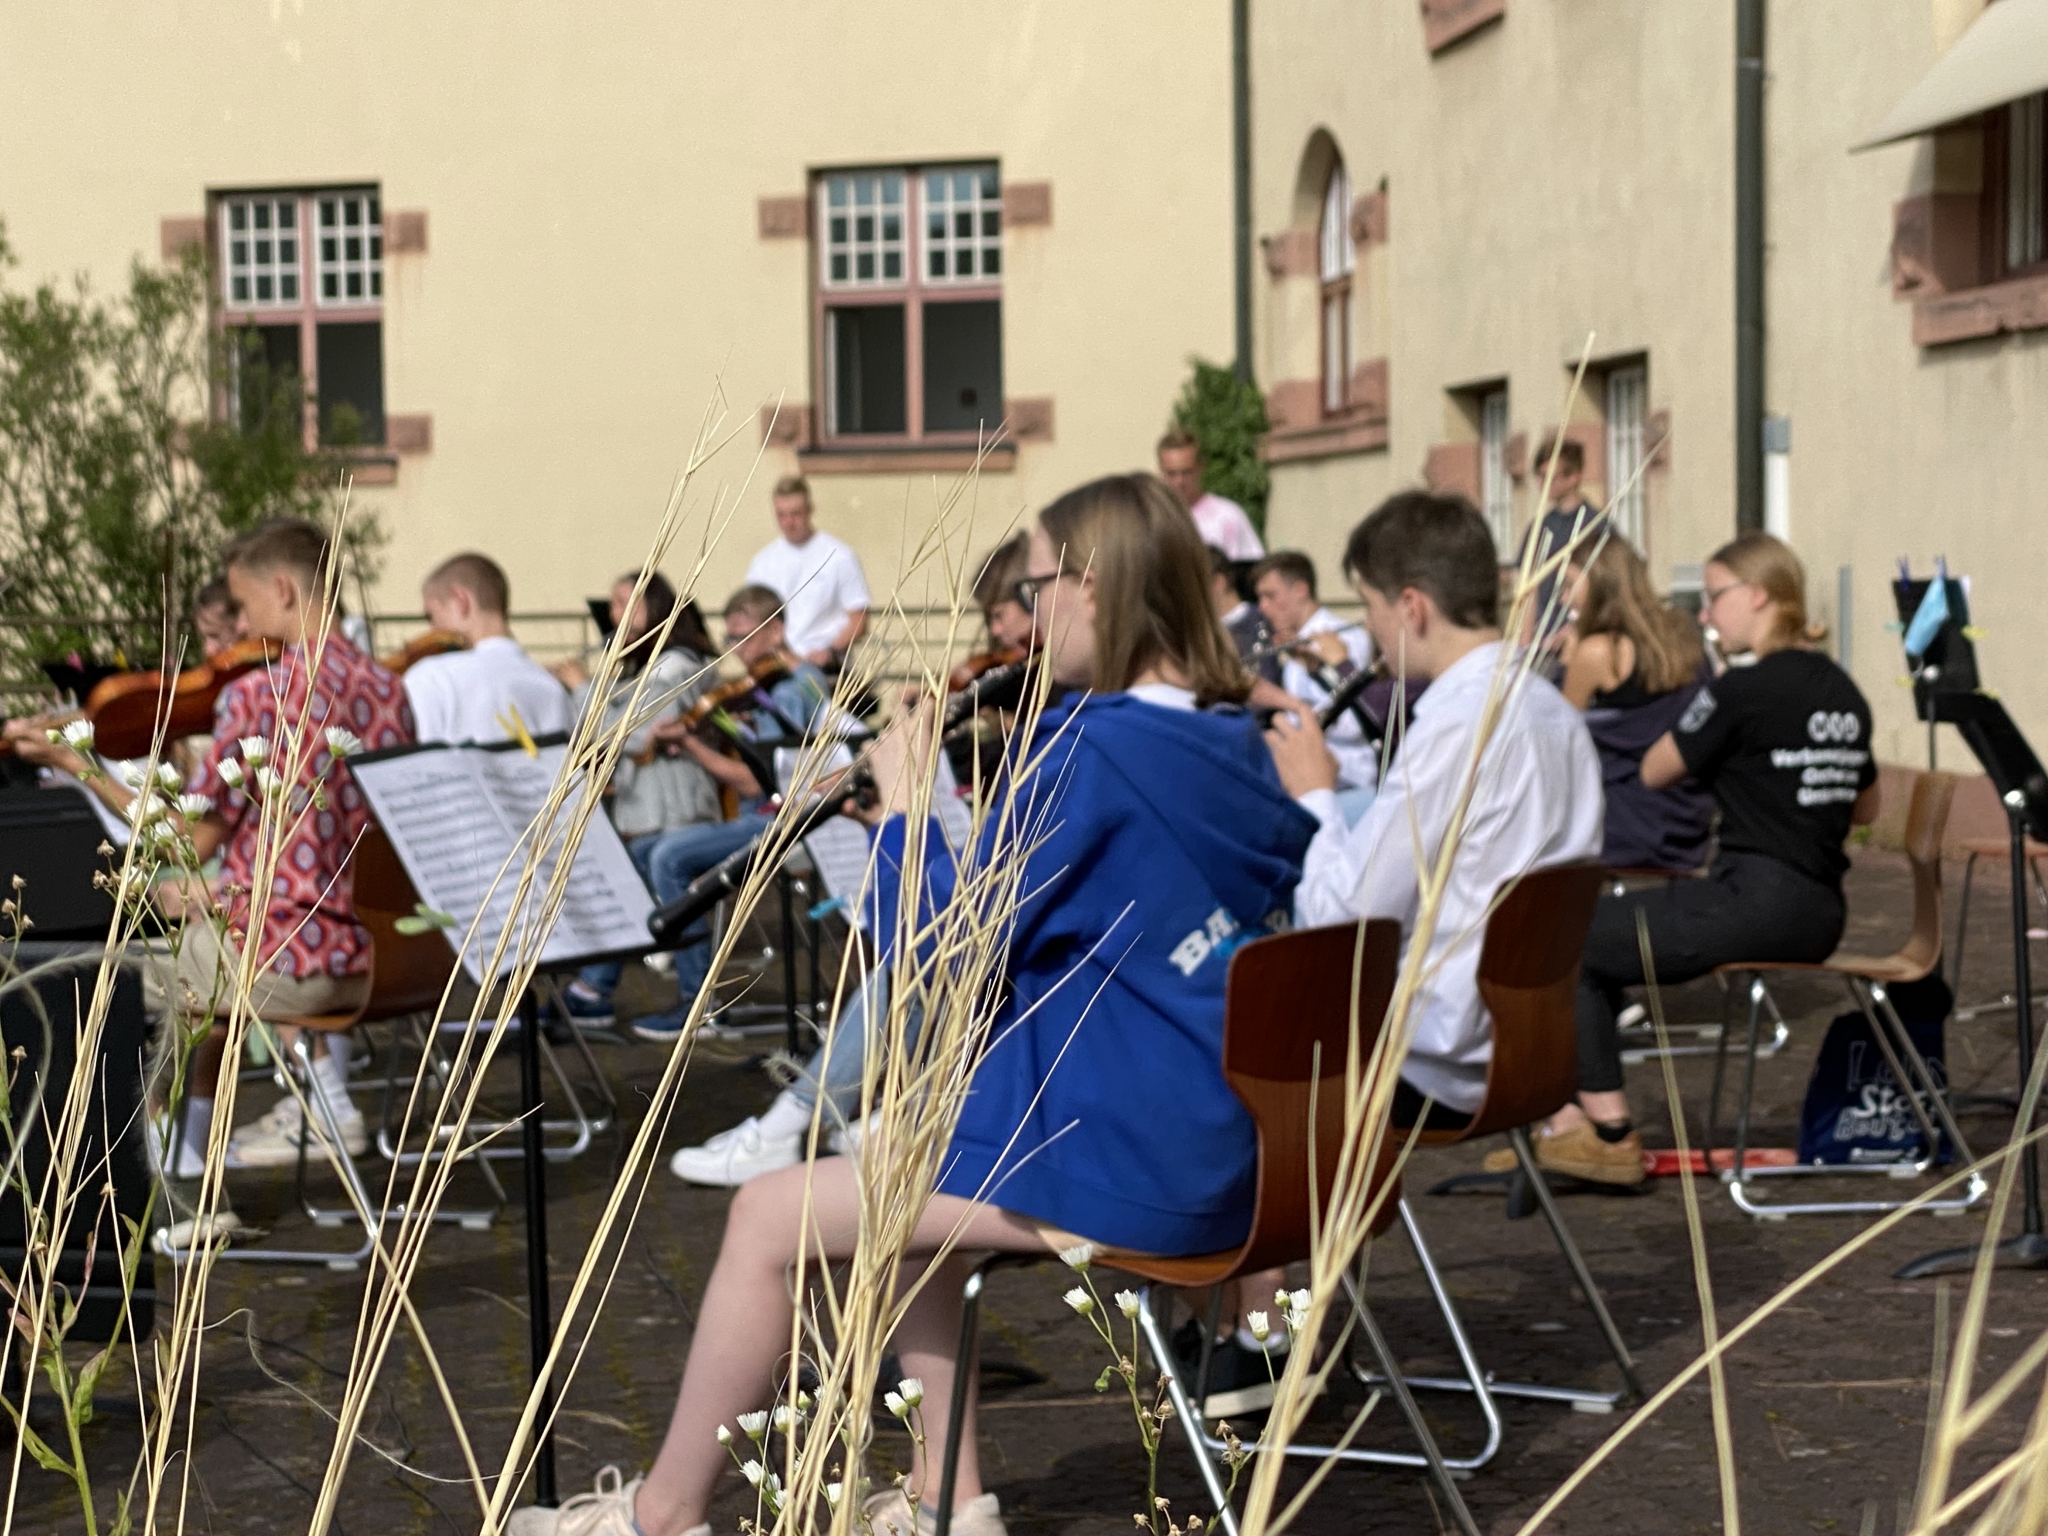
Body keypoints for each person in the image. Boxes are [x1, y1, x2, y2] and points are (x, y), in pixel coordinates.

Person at [510, 473, 1315, 1536]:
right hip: (1239, 1143)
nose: (1024, 617)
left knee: (762, 1216)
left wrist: (904, 812)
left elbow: (944, 957)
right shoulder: (1227, 740)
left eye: (1033, 586)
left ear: (1091, 585)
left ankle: (661, 1515)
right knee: (904, 1167)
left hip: (1136, 1160)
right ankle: (947, 1498)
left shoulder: (1090, 751)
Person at [5, 519, 415, 1175]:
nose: (245, 624)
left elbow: (185, 840)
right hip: (377, 958)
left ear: (281, 589)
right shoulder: (390, 691)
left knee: (87, 976)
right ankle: (185, 1164)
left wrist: (73, 761)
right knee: (194, 973)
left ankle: (140, 1183)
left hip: (287, 959)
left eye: (246, 604)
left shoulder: (261, 695)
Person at [668, 538, 1036, 1187]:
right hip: (999, 960)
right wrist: (885, 818)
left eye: (1005, 615)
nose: (997, 635)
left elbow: (941, 923)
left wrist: (901, 812)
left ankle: (798, 1121)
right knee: (912, 962)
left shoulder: (1085, 739)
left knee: (917, 959)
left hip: (1034, 1008)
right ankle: (844, 1113)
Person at [1530, 531, 1878, 1184]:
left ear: (1758, 596)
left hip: (1753, 905)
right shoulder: (1843, 689)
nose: (1704, 614)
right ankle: (1576, 1124)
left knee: (1563, 941)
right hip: (1821, 910)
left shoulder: (1742, 690)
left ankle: (1605, 1132)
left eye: (1714, 597)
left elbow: (1659, 769)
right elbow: (1867, 811)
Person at [1267, 490, 1603, 1131]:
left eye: (1368, 606)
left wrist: (1314, 793)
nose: (1366, 627)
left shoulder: (1457, 726)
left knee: (1205, 1026)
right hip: (1533, 1051)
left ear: (1412, 607)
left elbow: (1342, 919)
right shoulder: (1556, 712)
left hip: (1435, 1061)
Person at [624, 585, 837, 1044]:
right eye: (732, 638)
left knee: (668, 858)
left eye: (745, 637)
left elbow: (754, 782)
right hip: (755, 818)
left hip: (785, 822)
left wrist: (694, 746)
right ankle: (594, 990)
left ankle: (698, 1002)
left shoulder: (797, 687)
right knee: (640, 850)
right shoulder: (763, 687)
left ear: (776, 631)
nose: (737, 651)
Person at [549, 573, 722, 1030]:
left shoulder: (680, 664)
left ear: (657, 608)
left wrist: (583, 688)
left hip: (677, 806)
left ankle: (693, 1000)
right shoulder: (648, 668)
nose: (615, 615)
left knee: (669, 889)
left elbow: (639, 727)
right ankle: (593, 991)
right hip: (648, 804)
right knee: (624, 885)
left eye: (626, 602)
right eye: (611, 604)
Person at [1558, 538, 1715, 874]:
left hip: (1624, 820)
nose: (1563, 598)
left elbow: (1561, 737)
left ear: (1600, 582)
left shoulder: (1599, 652)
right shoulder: (1681, 635)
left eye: (1570, 584)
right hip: (1684, 814)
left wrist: (1568, 659)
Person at [403, 552, 573, 745]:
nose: (431, 630)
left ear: (461, 600)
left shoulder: (430, 678)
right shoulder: (553, 689)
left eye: (431, 616)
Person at [1252, 551, 1377, 801]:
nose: (1262, 608)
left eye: (1270, 596)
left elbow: (1355, 724)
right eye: (1259, 598)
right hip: (1309, 776)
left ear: (1301, 589)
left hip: (1351, 778)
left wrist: (1300, 716)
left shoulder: (1346, 638)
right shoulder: (1291, 650)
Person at [743, 475, 871, 670]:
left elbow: (859, 619)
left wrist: (830, 651)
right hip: (776, 664)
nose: (788, 522)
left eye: (795, 514)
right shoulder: (762, 562)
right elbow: (751, 618)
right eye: (781, 515)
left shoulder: (839, 556)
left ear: (810, 510)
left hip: (824, 665)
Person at [1157, 428, 1263, 560]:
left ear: (1201, 468)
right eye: (1171, 473)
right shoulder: (1153, 518)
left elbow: (1250, 567)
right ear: (1161, 472)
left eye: (1186, 472)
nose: (1179, 481)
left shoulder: (1228, 516)